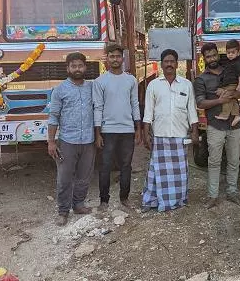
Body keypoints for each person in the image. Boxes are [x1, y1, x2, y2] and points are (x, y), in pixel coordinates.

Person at [141, 49, 199, 212]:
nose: (169, 64)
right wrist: (146, 134)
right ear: (161, 64)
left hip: (180, 136)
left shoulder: (186, 84)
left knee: (179, 173)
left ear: (176, 63)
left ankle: (177, 200)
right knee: (157, 171)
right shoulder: (153, 85)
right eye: (166, 61)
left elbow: (192, 111)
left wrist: (195, 132)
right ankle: (152, 199)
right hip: (160, 135)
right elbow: (148, 112)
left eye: (172, 61)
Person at [194, 42, 240, 209]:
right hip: (215, 126)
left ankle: (232, 192)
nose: (212, 59)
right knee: (214, 161)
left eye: (214, 55)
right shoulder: (201, 79)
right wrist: (219, 100)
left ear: (218, 54)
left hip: (234, 125)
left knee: (233, 161)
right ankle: (213, 196)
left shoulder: (230, 69)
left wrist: (230, 93)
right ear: (204, 59)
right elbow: (201, 103)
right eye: (208, 56)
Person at [48, 52, 96, 226]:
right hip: (67, 141)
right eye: (73, 66)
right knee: (65, 178)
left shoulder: (92, 88)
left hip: (88, 140)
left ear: (85, 67)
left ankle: (78, 204)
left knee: (84, 175)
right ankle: (63, 211)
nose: (77, 69)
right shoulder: (59, 90)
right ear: (67, 68)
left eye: (80, 66)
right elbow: (53, 117)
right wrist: (51, 141)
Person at [93, 43, 141, 211]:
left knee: (126, 166)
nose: (115, 59)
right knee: (105, 166)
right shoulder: (100, 82)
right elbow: (97, 107)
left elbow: (135, 104)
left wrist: (138, 129)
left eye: (118, 56)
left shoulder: (131, 80)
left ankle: (124, 198)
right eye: (111, 56)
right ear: (107, 59)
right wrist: (98, 133)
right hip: (107, 131)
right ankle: (104, 200)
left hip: (127, 130)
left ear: (123, 58)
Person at [214, 39, 240, 127]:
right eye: (228, 53)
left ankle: (225, 114)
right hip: (229, 84)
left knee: (225, 96)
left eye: (233, 52)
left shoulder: (238, 63)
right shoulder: (230, 62)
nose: (230, 55)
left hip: (233, 84)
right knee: (233, 99)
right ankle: (237, 115)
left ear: (238, 53)